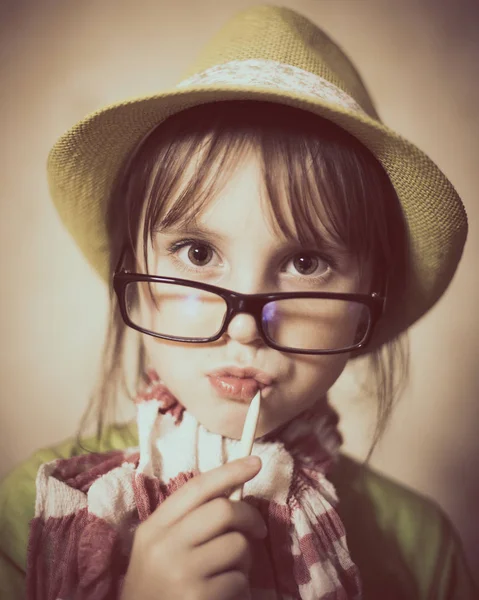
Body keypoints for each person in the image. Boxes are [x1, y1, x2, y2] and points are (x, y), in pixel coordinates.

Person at [0, 5, 477, 599]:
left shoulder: (420, 549)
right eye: (197, 253)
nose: (247, 326)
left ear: (366, 306)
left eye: (305, 263)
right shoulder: (34, 508)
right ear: (136, 280)